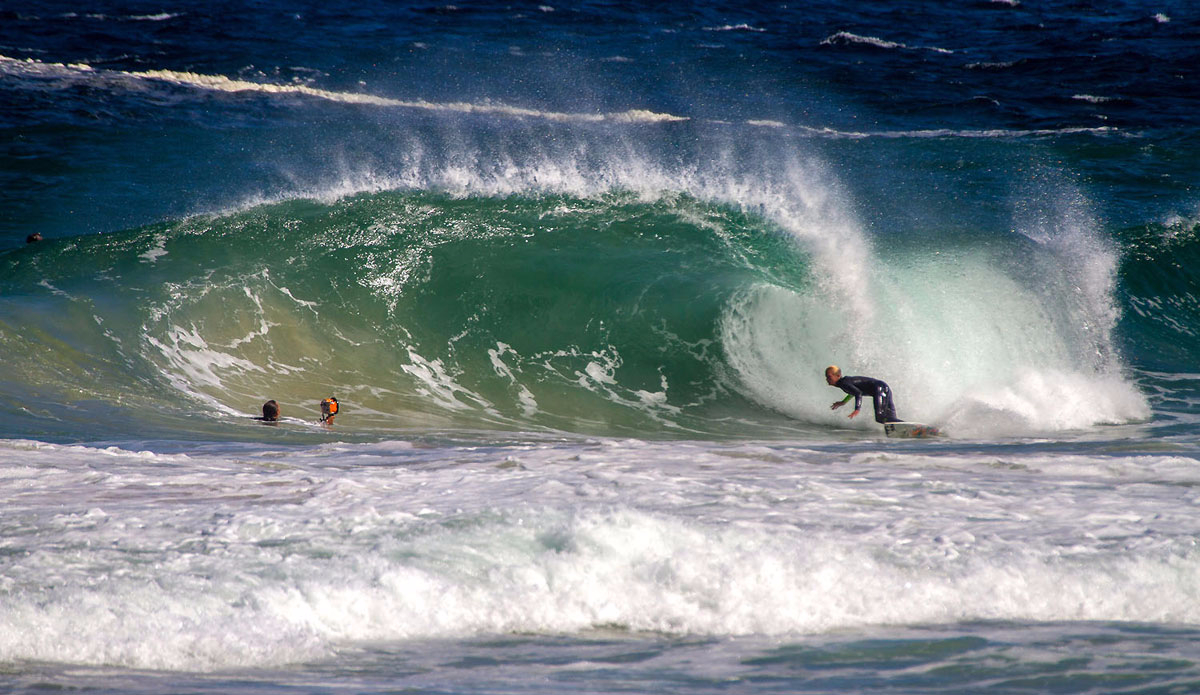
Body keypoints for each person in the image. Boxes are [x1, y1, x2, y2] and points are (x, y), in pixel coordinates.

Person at [825, 365, 900, 424]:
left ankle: (904, 426)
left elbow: (858, 393)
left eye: (829, 377)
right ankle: (901, 427)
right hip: (883, 387)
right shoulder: (844, 383)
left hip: (880, 388)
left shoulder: (844, 383)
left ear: (838, 376)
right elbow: (853, 392)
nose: (827, 379)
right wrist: (843, 402)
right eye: (826, 377)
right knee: (890, 417)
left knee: (880, 417)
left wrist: (857, 409)